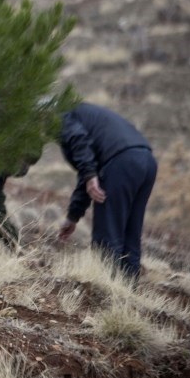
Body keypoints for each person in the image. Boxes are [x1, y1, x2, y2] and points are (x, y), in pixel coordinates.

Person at [57, 102, 157, 281]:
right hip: (147, 161)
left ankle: (106, 293)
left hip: (121, 162)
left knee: (107, 235)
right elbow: (89, 171)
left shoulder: (62, 113)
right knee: (130, 236)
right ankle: (127, 297)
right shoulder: (84, 114)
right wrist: (73, 216)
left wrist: (89, 174)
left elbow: (79, 142)